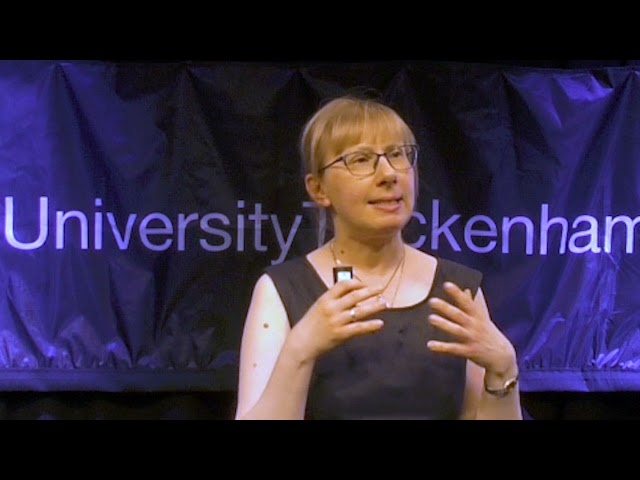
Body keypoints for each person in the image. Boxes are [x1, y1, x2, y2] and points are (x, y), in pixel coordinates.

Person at [235, 94, 523, 420]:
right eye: (360, 159)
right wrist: (300, 350)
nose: (388, 174)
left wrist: (503, 368)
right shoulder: (283, 290)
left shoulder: (457, 290)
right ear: (318, 189)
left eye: (398, 155)